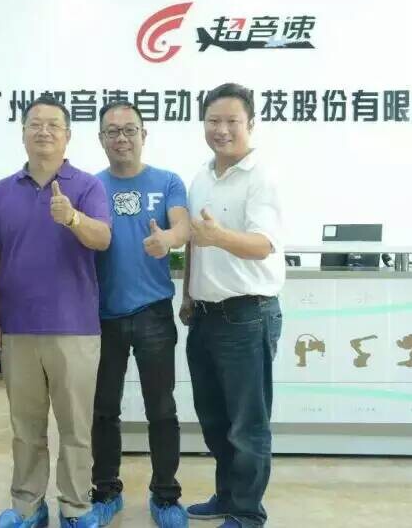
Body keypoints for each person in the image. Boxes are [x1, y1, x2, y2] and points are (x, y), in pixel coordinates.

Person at [0, 94, 110, 528]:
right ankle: (27, 506)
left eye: (53, 125)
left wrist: (72, 218)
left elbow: (102, 238)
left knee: (75, 428)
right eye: (35, 124)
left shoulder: (87, 186)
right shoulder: (1, 192)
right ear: (22, 133)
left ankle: (75, 508)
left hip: (74, 328)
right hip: (17, 327)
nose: (43, 131)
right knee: (25, 428)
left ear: (68, 135)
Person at [180, 83, 285, 528]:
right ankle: (226, 496)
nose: (221, 130)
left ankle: (247, 511)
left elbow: (263, 245)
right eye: (213, 121)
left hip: (247, 315)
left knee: (247, 424)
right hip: (204, 316)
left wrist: (218, 236)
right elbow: (194, 242)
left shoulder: (261, 177)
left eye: (231, 121)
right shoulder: (201, 177)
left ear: (250, 124)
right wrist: (188, 295)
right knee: (215, 419)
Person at [90, 100, 190, 528]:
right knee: (103, 409)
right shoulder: (91, 187)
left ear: (143, 135)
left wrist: (168, 238)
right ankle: (105, 491)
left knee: (161, 408)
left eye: (129, 130)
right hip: (102, 314)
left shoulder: (167, 181)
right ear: (101, 139)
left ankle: (165, 495)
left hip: (153, 313)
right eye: (112, 131)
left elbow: (183, 226)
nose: (121, 138)